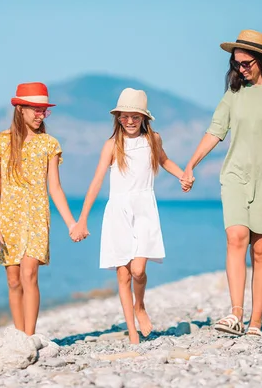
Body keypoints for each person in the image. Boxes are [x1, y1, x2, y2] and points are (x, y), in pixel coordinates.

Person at [181, 30, 262, 336]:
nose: (241, 69)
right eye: (236, 64)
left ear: (261, 60)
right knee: (236, 237)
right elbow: (215, 132)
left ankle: (256, 322)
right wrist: (191, 165)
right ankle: (235, 314)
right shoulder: (232, 95)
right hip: (235, 175)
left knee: (261, 251)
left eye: (246, 63)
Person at [70, 88, 186, 344]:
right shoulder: (112, 145)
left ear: (144, 117)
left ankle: (140, 305)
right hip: (118, 212)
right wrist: (82, 219)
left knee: (139, 270)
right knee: (123, 274)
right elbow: (97, 181)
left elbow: (164, 161)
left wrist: (182, 176)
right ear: (118, 118)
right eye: (125, 116)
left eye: (135, 116)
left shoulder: (153, 139)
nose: (130, 121)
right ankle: (133, 333)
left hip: (145, 208)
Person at [0, 82, 79, 335]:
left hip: (38, 216)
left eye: (44, 111)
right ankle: (18, 335)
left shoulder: (49, 144)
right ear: (20, 110)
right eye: (36, 110)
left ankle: (29, 337)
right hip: (8, 218)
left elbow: (56, 188)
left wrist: (72, 223)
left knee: (29, 274)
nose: (40, 115)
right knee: (13, 280)